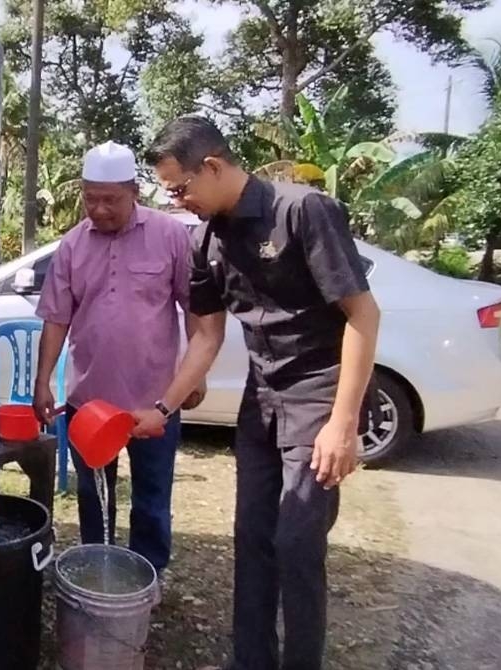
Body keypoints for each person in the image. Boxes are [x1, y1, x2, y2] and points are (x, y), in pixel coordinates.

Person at [135, 116, 381, 670]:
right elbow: (205, 336)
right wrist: (161, 408)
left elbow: (363, 315)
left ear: (214, 167)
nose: (176, 199)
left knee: (297, 542)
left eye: (179, 187)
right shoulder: (204, 239)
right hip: (262, 397)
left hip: (319, 396)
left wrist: (344, 423)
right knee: (251, 536)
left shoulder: (301, 212)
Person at [32, 140, 203, 573]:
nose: (99, 208)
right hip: (89, 400)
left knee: (151, 497)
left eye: (110, 200)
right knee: (94, 498)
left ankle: (148, 574)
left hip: (155, 400)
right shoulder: (71, 246)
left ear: (134, 193)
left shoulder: (170, 237)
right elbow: (55, 319)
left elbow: (193, 308)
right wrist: (42, 380)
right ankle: (98, 568)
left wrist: (194, 375)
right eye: (91, 198)